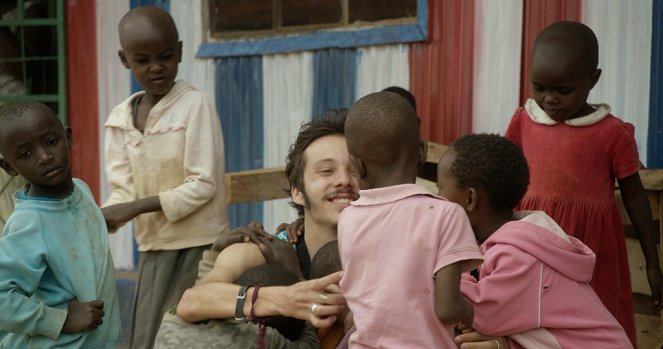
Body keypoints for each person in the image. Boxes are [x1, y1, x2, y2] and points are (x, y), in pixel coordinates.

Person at [504, 20, 662, 346]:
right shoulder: (524, 121)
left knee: (594, 327)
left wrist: (653, 263)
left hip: (590, 253)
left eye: (564, 91)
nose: (549, 99)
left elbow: (634, 197)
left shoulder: (613, 132)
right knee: (528, 323)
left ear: (593, 79)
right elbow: (502, 175)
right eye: (540, 87)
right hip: (532, 246)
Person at [101, 6, 229, 348]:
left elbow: (203, 185)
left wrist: (135, 208)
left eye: (166, 56)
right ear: (125, 60)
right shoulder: (119, 120)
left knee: (186, 334)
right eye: (143, 60)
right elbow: (122, 192)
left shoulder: (194, 106)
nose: (156, 67)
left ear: (181, 53)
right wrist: (102, 216)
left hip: (199, 245)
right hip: (155, 246)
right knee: (148, 337)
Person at [439, 133, 632, 349]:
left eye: (440, 189)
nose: (437, 199)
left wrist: (451, 260)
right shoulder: (516, 241)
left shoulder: (519, 257)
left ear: (470, 198)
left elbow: (477, 313)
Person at [176, 110, 354, 333]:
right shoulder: (265, 250)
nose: (345, 180)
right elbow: (192, 302)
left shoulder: (388, 253)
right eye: (327, 171)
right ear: (297, 191)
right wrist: (282, 297)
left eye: (355, 170)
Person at [338, 91, 483, 348]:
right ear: (422, 152)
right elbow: (448, 309)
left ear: (355, 166)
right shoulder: (445, 214)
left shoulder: (348, 218)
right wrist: (471, 312)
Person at [0, 102, 121, 348]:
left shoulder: (82, 191)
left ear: (68, 138)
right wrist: (60, 320)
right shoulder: (29, 223)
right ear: (10, 167)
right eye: (25, 154)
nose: (44, 157)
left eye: (51, 142)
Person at [154, 241, 320, 349]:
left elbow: (201, 297)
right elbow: (309, 340)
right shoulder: (267, 340)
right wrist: (294, 273)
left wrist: (217, 256)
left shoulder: (175, 323)